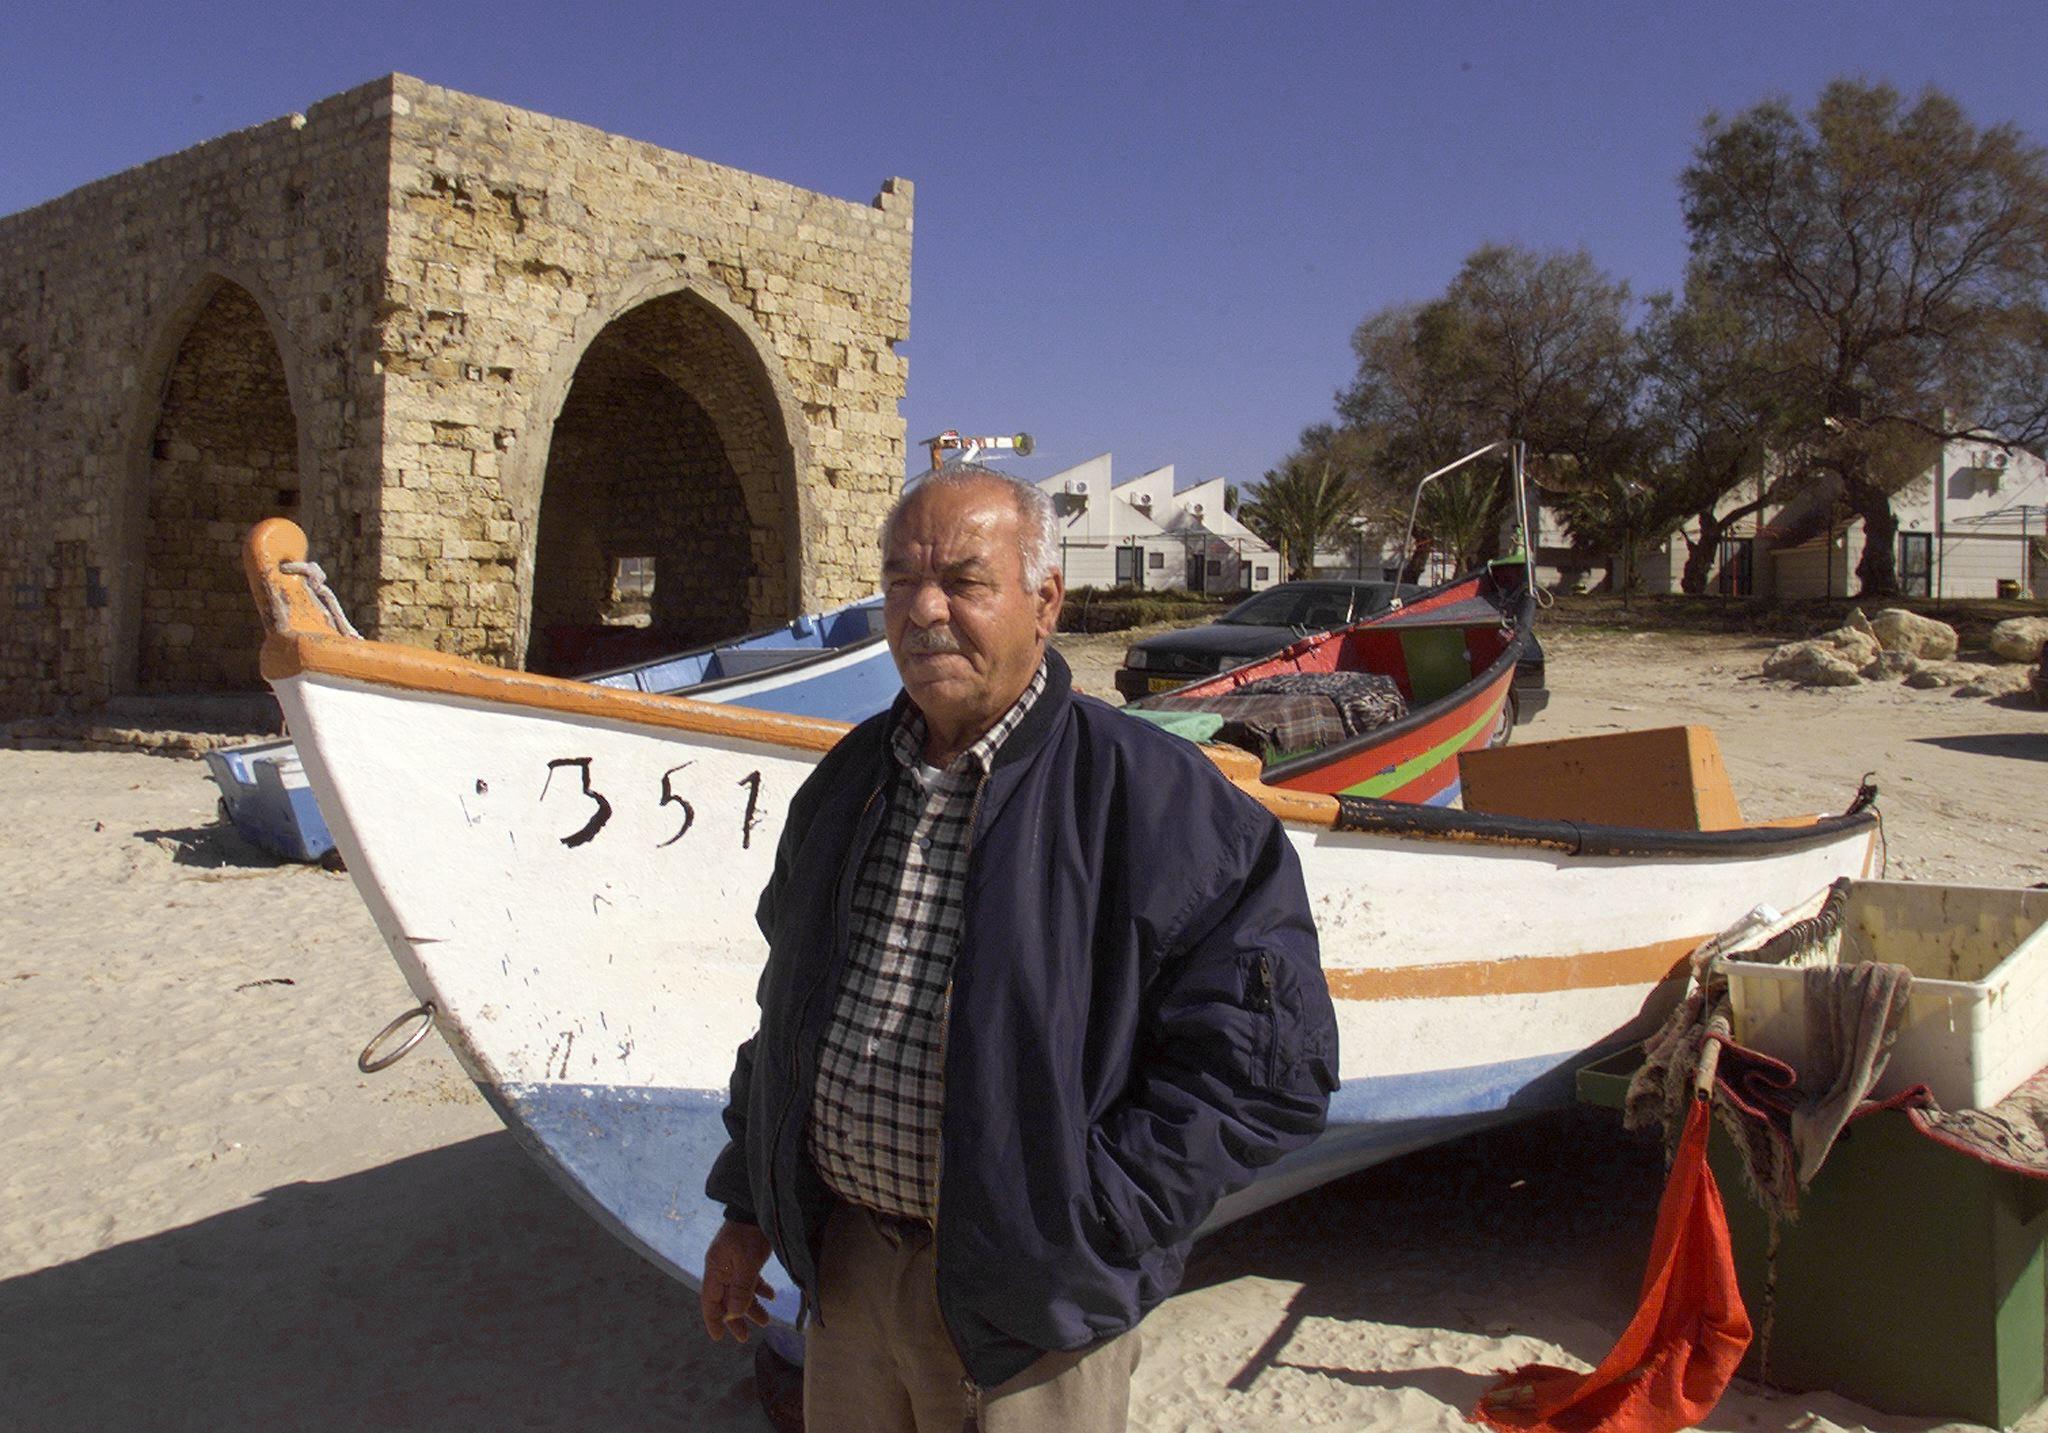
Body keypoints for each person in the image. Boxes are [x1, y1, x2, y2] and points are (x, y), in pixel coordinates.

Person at [700, 464, 1338, 1431]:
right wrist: (748, 1208)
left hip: (1034, 1319)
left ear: (1044, 603)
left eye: (963, 580)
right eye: (900, 579)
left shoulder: (1155, 801)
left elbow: (1268, 1071)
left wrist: (1086, 1226)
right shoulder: (844, 785)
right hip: (849, 1273)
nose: (923, 610)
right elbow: (782, 1016)